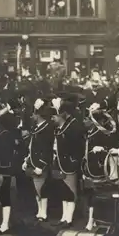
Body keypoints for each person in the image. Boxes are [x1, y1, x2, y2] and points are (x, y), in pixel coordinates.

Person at [81, 109, 119, 231]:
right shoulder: (89, 133)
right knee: (89, 195)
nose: (84, 121)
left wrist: (103, 149)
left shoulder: (102, 134)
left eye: (87, 119)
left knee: (96, 195)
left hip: (99, 170)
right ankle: (92, 220)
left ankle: (93, 220)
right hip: (89, 168)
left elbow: (111, 149)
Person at [50, 95, 85, 228]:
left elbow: (78, 147)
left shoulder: (74, 127)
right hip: (61, 161)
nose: (54, 118)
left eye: (57, 115)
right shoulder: (63, 126)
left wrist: (74, 160)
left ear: (64, 114)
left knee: (71, 191)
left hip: (70, 163)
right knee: (64, 190)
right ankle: (64, 217)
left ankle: (69, 218)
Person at [22, 98, 54, 223]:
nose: (32, 117)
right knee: (36, 188)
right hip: (34, 161)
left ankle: (44, 212)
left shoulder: (46, 128)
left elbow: (47, 148)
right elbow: (32, 146)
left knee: (42, 189)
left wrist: (42, 164)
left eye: (33, 114)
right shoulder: (36, 127)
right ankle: (39, 210)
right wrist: (27, 160)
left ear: (38, 115)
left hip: (41, 163)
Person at [0, 103, 20, 235]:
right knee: (5, 196)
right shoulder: (9, 134)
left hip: (4, 169)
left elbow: (0, 154)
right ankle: (6, 221)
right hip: (7, 169)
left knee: (4, 196)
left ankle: (5, 224)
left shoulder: (4, 136)